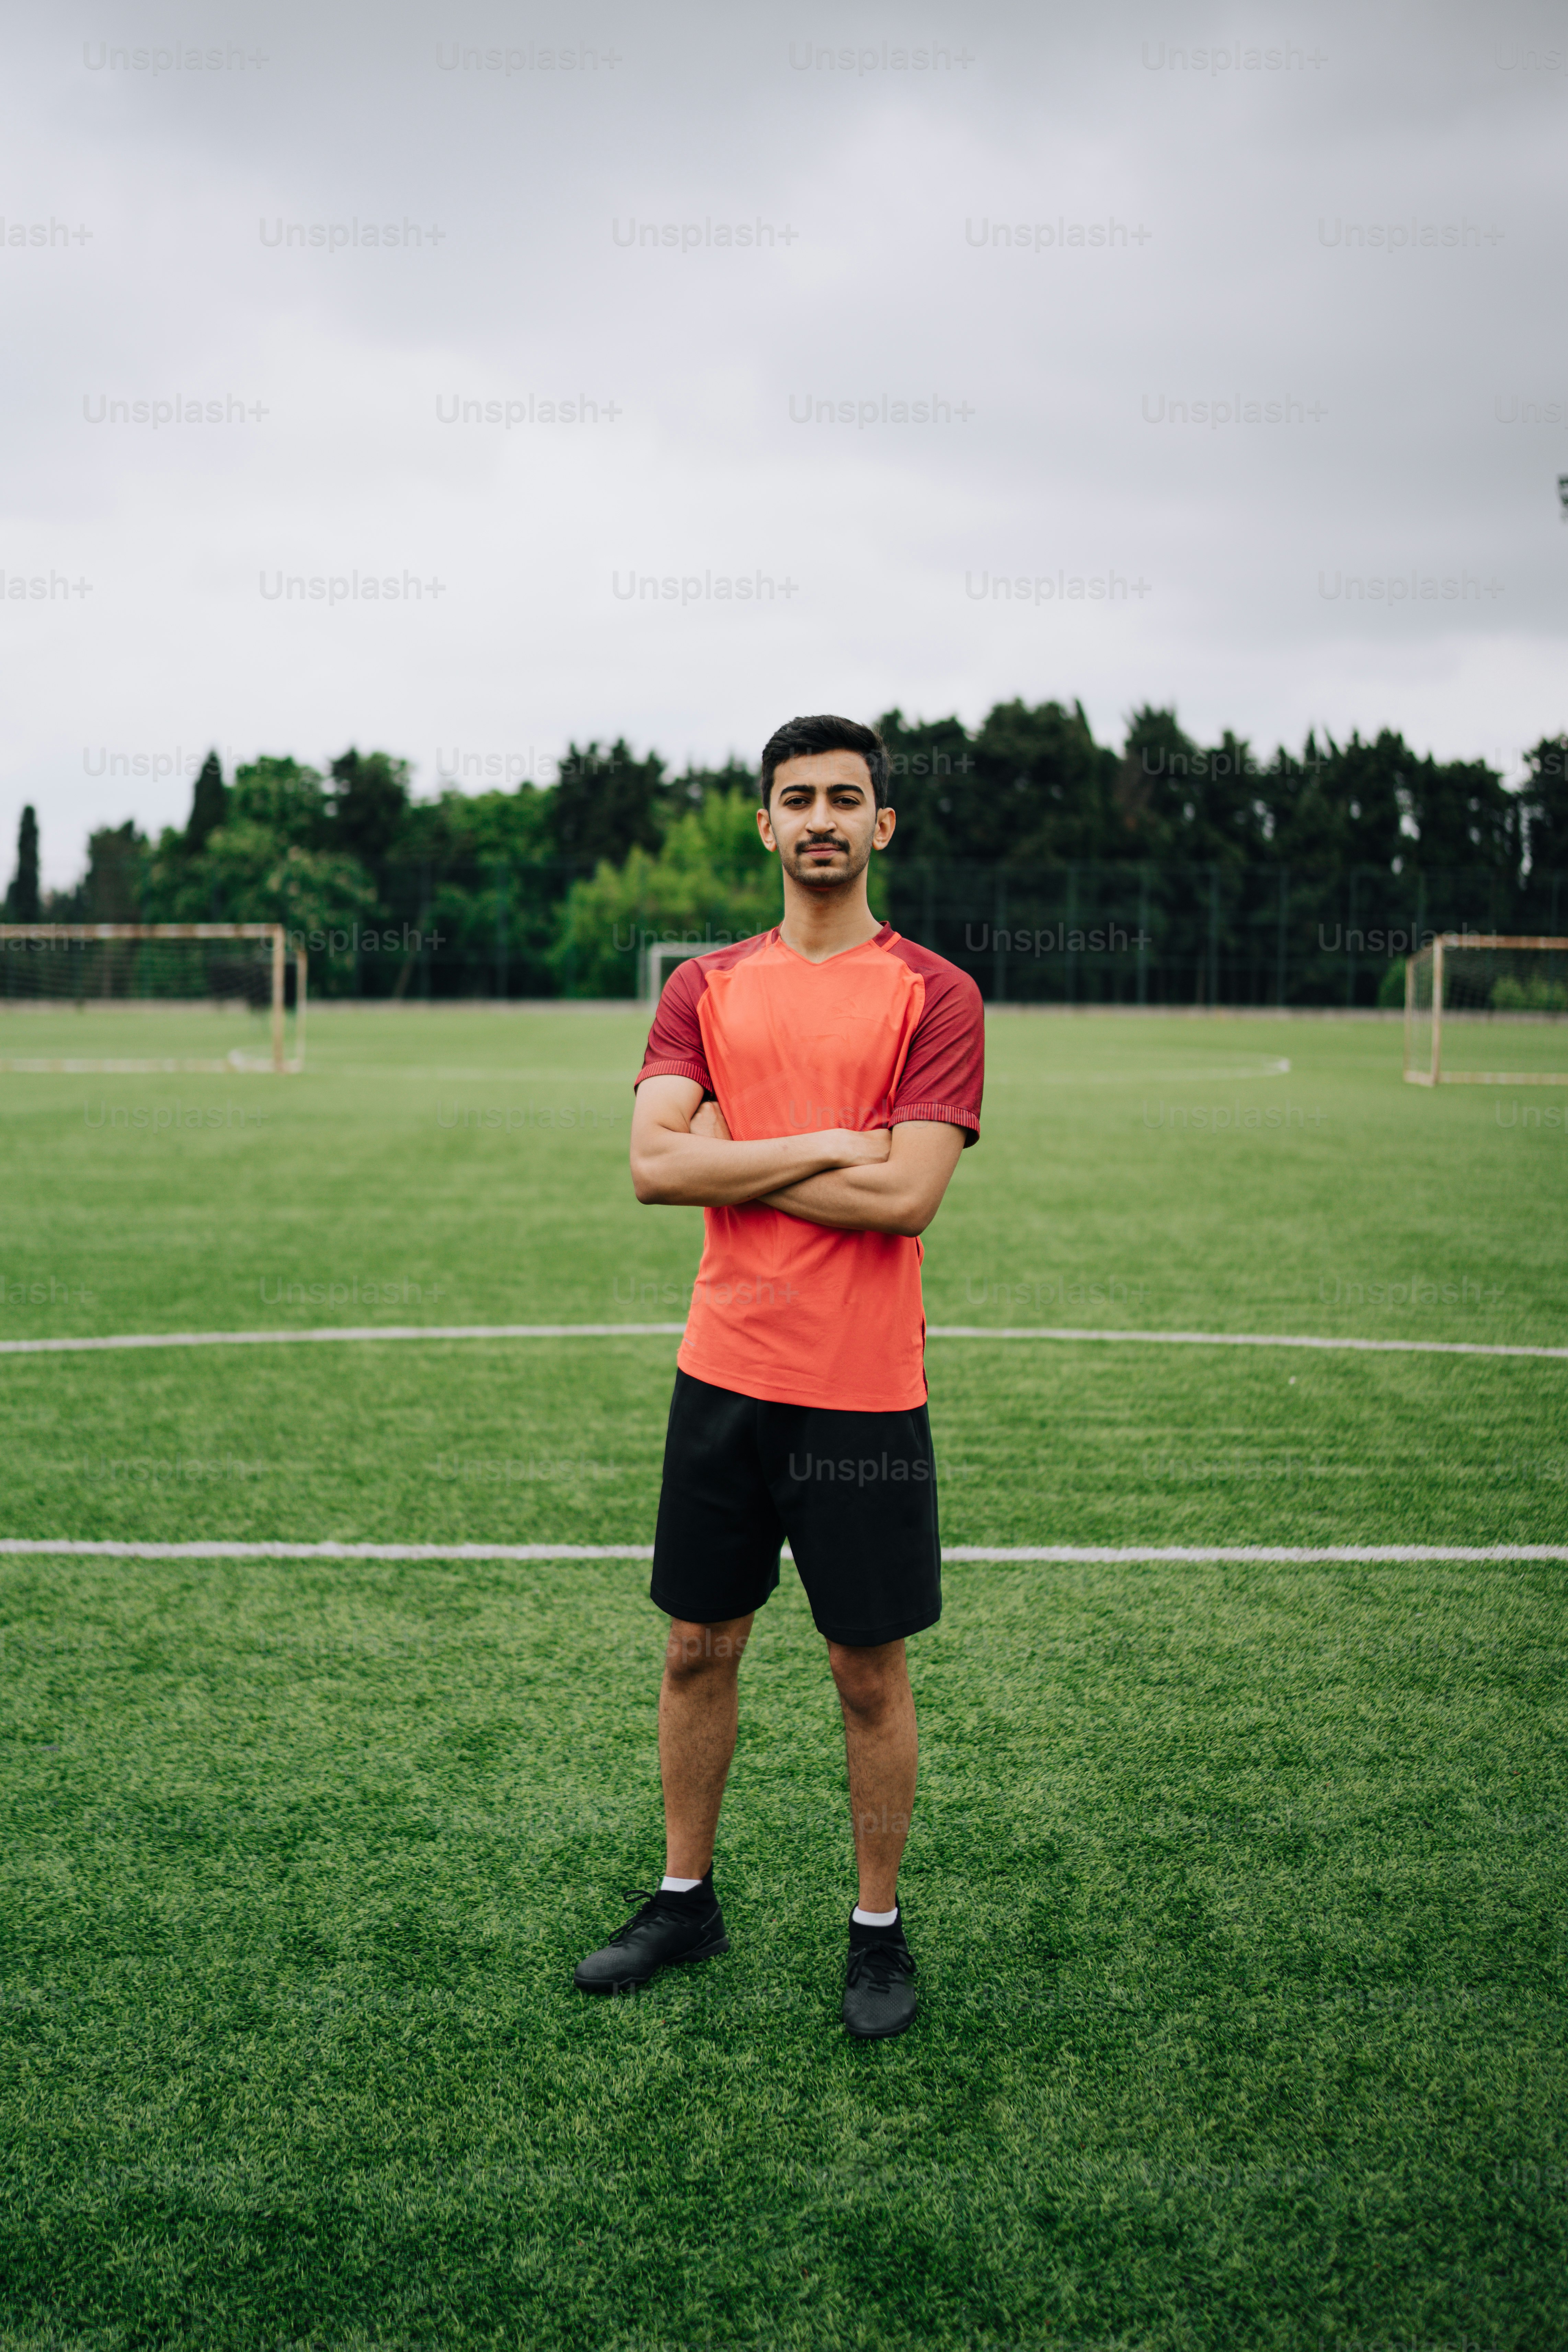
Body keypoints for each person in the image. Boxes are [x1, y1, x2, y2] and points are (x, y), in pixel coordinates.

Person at [573, 713, 984, 2037]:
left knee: (867, 1670)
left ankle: (878, 1929)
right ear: (765, 825)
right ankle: (684, 1898)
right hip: (725, 1373)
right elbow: (654, 1167)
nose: (821, 819)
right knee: (698, 1647)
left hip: (863, 1386)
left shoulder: (936, 992)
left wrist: (739, 1152)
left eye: (845, 799)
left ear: (882, 825)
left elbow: (908, 1195)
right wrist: (833, 1141)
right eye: (797, 798)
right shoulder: (705, 987)